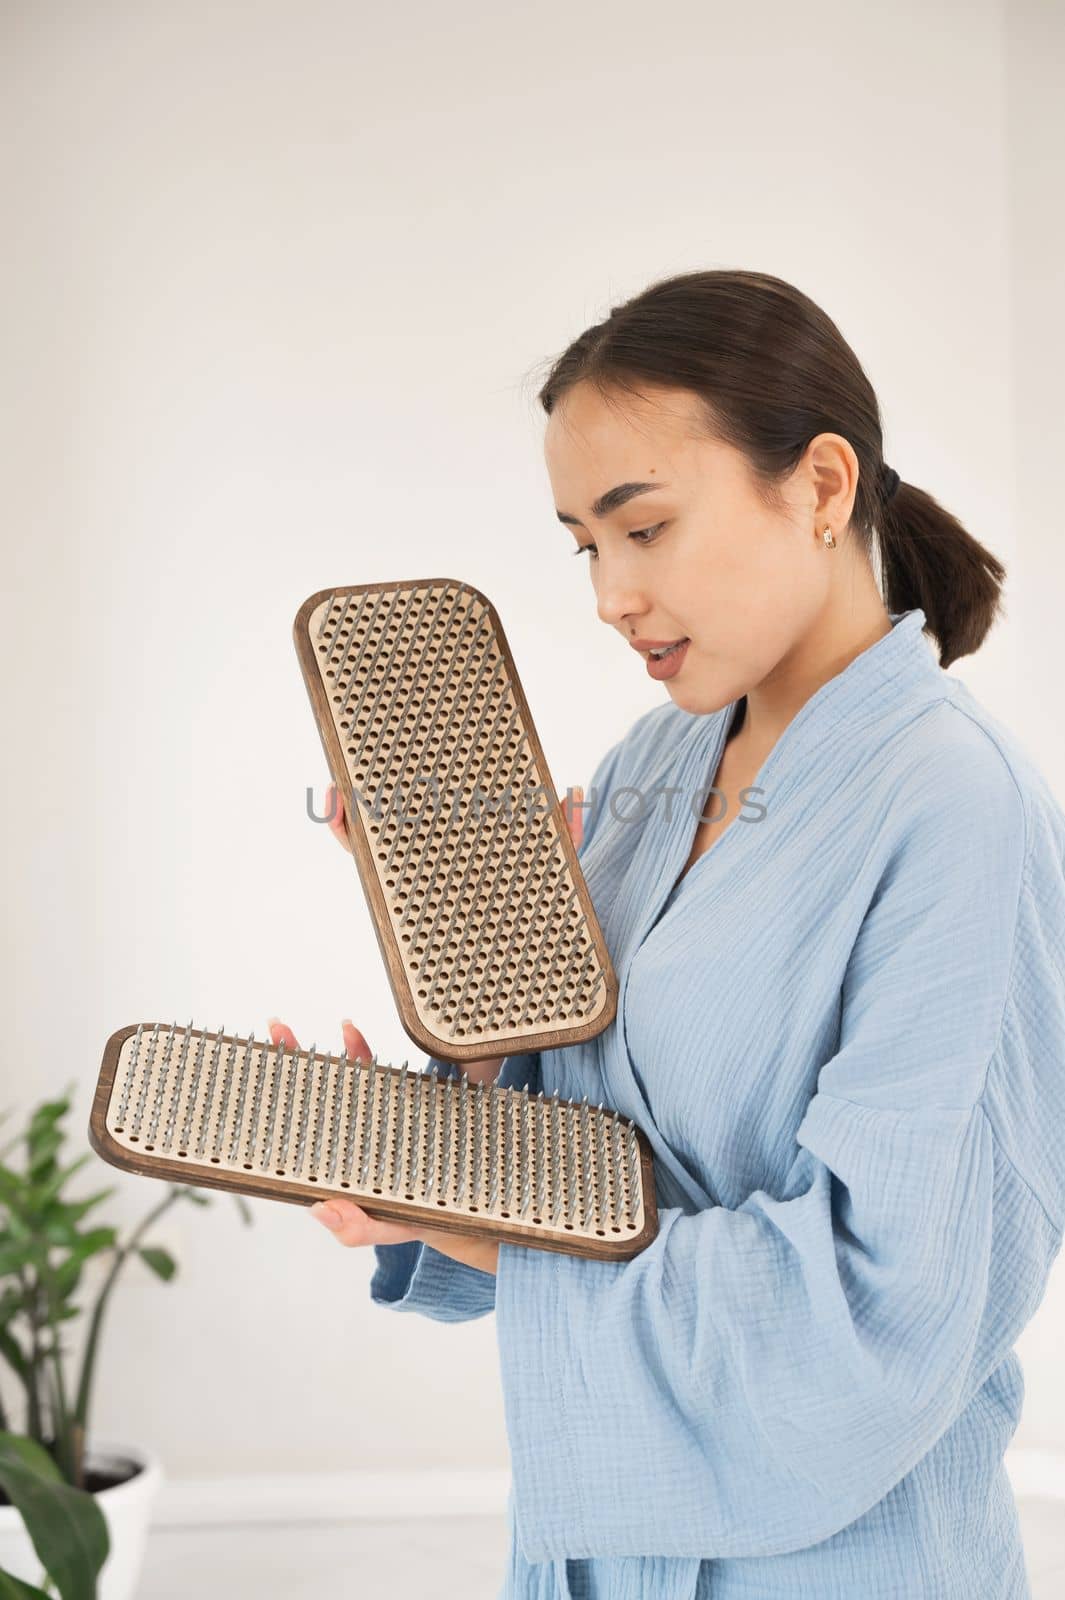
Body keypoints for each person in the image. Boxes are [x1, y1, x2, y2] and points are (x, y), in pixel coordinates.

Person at [270, 269, 1065, 1599]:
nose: (607, 594)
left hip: (837, 1564)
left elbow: (891, 1306)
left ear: (818, 487)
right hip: (598, 1550)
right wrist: (459, 1065)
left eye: (642, 528)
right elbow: (600, 1121)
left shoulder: (957, 812)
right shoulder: (663, 756)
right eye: (584, 543)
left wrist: (499, 1236)